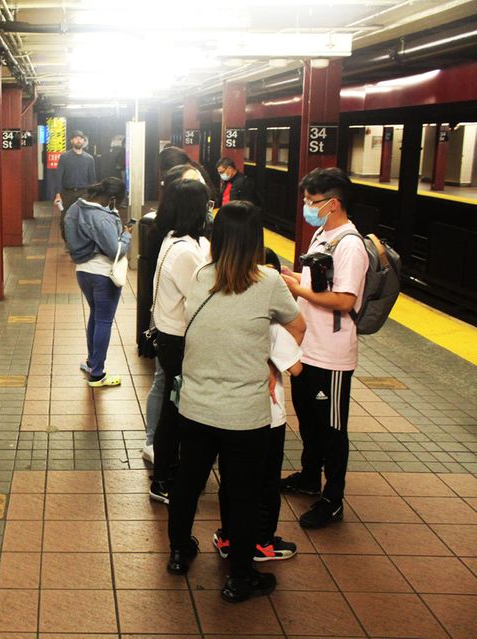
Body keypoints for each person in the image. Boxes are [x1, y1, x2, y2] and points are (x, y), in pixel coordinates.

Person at [166, 201, 305, 604]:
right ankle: (240, 578)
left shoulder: (200, 276)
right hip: (245, 414)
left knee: (188, 483)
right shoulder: (269, 282)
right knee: (243, 495)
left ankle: (178, 553)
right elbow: (298, 325)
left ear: (219, 236)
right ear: (256, 240)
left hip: (196, 406)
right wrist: (269, 361)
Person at [279, 167, 368, 528]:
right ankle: (309, 477)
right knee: (310, 420)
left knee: (332, 428)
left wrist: (297, 290)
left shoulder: (350, 245)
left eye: (311, 200)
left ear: (333, 203)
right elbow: (319, 282)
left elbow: (345, 299)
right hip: (307, 347)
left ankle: (333, 499)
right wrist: (292, 277)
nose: (306, 206)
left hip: (332, 355)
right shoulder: (322, 234)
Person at [213, 248, 302, 564]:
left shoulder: (228, 314)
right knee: (265, 484)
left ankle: (228, 536)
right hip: (268, 417)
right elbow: (296, 368)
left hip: (231, 410)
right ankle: (262, 542)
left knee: (233, 478)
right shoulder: (273, 325)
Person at [146, 180, 211, 499]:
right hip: (178, 340)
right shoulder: (184, 250)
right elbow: (202, 296)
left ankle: (170, 471)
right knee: (174, 412)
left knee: (176, 407)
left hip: (173, 335)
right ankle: (163, 479)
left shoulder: (177, 239)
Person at [63, 177, 131, 387]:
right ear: (112, 198)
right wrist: (126, 235)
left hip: (83, 272)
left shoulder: (75, 208)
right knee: (104, 321)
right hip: (103, 274)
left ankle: (92, 362)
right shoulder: (101, 217)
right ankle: (97, 374)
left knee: (95, 315)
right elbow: (115, 250)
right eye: (118, 202)